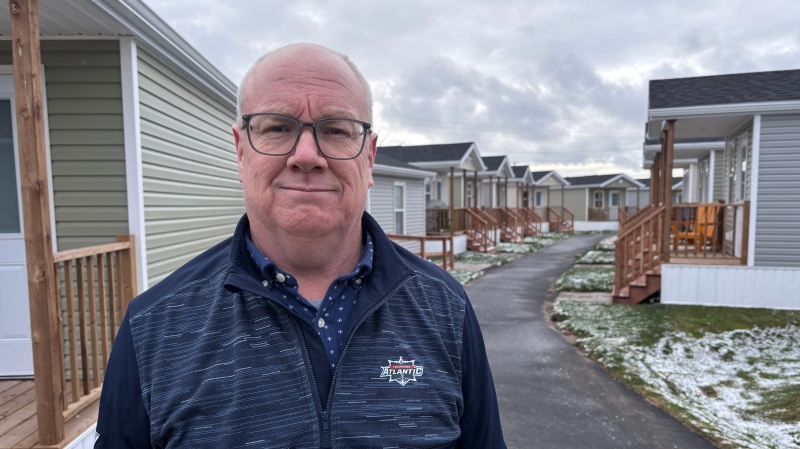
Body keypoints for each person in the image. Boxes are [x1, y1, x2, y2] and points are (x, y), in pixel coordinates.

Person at [95, 43, 506, 448]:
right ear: (241, 151)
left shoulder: (445, 308)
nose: (306, 155)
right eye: (277, 127)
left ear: (369, 157)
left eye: (336, 130)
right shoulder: (154, 327)